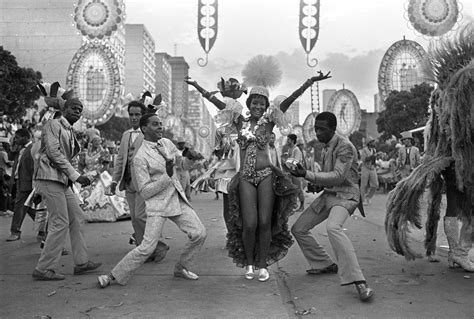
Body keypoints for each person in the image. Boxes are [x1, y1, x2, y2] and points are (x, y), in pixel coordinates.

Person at [226, 71, 331, 282]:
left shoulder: (269, 122)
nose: (258, 107)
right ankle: (248, 262)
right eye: (254, 103)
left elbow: (290, 99)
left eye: (261, 103)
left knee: (265, 222)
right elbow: (221, 105)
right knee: (249, 224)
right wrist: (201, 89)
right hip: (246, 177)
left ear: (266, 106)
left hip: (266, 176)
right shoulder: (239, 122)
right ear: (249, 104)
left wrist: (309, 81)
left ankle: (263, 265)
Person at [385, 24, 473, 272]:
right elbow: (455, 130)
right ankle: (459, 252)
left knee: (458, 205)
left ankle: (457, 253)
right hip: (455, 159)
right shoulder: (451, 94)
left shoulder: (448, 92)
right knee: (459, 204)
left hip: (452, 158)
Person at [97, 113, 207, 288]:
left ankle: (182, 267)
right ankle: (112, 276)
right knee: (147, 247)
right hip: (157, 205)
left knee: (199, 233)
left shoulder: (167, 144)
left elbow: (182, 166)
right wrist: (168, 176)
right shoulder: (140, 158)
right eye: (155, 124)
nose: (160, 127)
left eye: (160, 124)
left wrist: (190, 158)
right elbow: (146, 191)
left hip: (177, 199)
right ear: (144, 129)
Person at [289, 112, 374, 301]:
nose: (318, 133)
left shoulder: (345, 147)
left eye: (322, 129)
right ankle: (323, 263)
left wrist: (307, 175)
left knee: (333, 228)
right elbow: (328, 178)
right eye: (316, 129)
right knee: (299, 229)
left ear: (333, 129)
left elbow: (338, 177)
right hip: (330, 195)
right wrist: (316, 183)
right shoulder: (326, 147)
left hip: (346, 196)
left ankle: (359, 281)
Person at [32, 98, 101, 281]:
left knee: (77, 218)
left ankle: (82, 262)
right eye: (74, 108)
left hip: (62, 180)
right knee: (60, 222)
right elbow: (54, 153)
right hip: (49, 177)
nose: (77, 112)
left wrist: (75, 176)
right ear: (64, 108)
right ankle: (44, 268)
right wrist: (76, 176)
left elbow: (68, 158)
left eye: (80, 110)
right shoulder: (53, 124)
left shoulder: (70, 130)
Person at [110, 101, 169, 262]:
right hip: (128, 182)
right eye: (131, 114)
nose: (134, 117)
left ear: (142, 116)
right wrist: (114, 181)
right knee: (135, 218)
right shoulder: (125, 135)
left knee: (142, 215)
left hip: (145, 183)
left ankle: (158, 245)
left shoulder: (149, 135)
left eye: (137, 114)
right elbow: (121, 160)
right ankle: (145, 249)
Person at [186, 77, 246, 231]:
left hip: (245, 168)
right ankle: (231, 234)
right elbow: (216, 151)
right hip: (228, 169)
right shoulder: (222, 131)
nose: (230, 114)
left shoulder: (246, 128)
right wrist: (196, 84)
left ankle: (241, 233)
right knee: (228, 201)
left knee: (244, 201)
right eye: (226, 112)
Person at [79, 134, 129, 222]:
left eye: (99, 141)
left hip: (99, 175)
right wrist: (83, 174)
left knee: (103, 193)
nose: (98, 143)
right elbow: (82, 165)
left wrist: (97, 173)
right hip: (87, 175)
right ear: (91, 142)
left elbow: (106, 166)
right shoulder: (85, 153)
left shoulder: (103, 152)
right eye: (96, 141)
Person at [6, 128, 42, 241]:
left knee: (20, 207)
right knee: (27, 208)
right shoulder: (20, 149)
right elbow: (11, 158)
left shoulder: (32, 149)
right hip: (19, 182)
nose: (15, 140)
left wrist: (35, 186)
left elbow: (34, 168)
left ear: (25, 137)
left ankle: (15, 231)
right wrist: (13, 145)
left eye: (17, 138)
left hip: (29, 184)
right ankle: (43, 230)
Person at [283, 134, 305, 211]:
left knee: (299, 189)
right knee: (293, 190)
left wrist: (287, 162)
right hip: (291, 172)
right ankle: (294, 205)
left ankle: (302, 206)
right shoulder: (289, 150)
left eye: (288, 139)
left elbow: (296, 161)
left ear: (292, 140)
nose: (287, 141)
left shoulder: (296, 150)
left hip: (297, 172)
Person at [359, 139, 379, 205]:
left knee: (375, 185)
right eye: (372, 142)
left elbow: (374, 160)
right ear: (369, 143)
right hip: (365, 168)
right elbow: (364, 159)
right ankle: (363, 200)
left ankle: (368, 197)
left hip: (372, 168)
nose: (374, 143)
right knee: (364, 185)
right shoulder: (364, 150)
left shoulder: (374, 150)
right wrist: (373, 156)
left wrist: (377, 158)